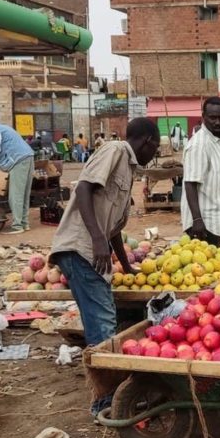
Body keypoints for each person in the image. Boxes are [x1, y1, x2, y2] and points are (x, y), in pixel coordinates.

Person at [49, 117, 160, 413]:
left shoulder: (129, 168)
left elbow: (113, 230)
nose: (155, 155)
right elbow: (83, 189)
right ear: (147, 141)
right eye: (156, 148)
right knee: (103, 328)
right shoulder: (115, 151)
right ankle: (106, 404)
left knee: (103, 324)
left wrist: (126, 266)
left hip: (92, 252)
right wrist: (97, 240)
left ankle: (109, 399)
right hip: (80, 249)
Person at [182, 98, 220, 246]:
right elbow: (190, 183)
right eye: (212, 118)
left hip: (217, 221)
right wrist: (197, 220)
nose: (217, 122)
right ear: (203, 116)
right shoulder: (199, 145)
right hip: (203, 225)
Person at [0, 122, 35, 234]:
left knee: (16, 195)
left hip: (17, 159)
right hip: (28, 156)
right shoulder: (1, 127)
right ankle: (24, 223)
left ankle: (17, 226)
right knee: (24, 193)